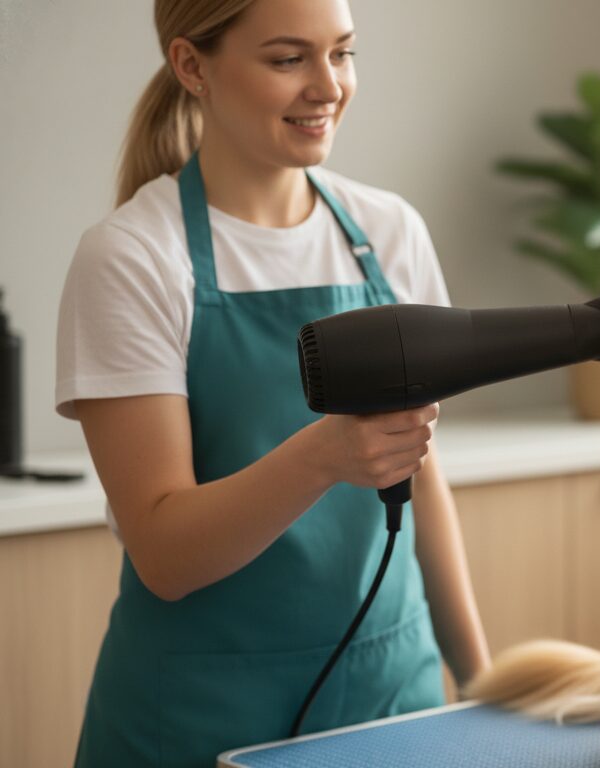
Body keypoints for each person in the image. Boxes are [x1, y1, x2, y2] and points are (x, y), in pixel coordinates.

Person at [54, 0, 491, 764]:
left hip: (394, 702)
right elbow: (164, 551)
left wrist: (484, 683)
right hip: (194, 719)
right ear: (192, 66)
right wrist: (325, 455)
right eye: (288, 59)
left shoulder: (390, 234)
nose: (329, 86)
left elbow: (424, 478)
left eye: (343, 53)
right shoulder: (132, 258)